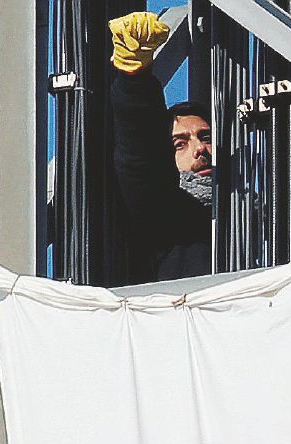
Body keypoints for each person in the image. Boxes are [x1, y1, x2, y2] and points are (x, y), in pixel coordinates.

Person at [108, 12, 213, 283]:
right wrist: (135, 81)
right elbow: (142, 159)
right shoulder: (169, 219)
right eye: (181, 144)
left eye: (206, 137)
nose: (200, 149)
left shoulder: (270, 217)